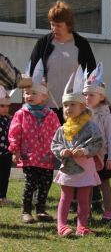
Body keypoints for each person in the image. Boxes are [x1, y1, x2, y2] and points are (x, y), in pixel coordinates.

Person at [51, 68, 103, 237]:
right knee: (65, 197)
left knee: (83, 198)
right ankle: (62, 225)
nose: (68, 108)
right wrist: (62, 151)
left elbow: (98, 143)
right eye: (65, 105)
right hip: (68, 168)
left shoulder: (91, 127)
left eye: (72, 104)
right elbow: (55, 144)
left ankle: (82, 225)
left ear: (82, 106)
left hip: (85, 167)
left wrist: (85, 150)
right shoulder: (62, 129)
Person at [8, 67, 60, 223]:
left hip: (46, 156)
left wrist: (60, 150)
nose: (29, 96)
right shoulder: (21, 113)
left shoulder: (51, 115)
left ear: (44, 97)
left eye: (33, 93)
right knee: (30, 183)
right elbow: (14, 132)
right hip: (28, 155)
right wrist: (15, 150)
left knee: (45, 184)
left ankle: (41, 210)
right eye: (26, 93)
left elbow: (58, 133)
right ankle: (26, 210)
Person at [29, 0, 96, 113]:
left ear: (68, 25)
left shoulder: (81, 44)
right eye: (52, 24)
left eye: (59, 26)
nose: (54, 29)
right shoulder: (43, 43)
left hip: (73, 106)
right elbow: (32, 70)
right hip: (46, 106)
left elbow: (92, 73)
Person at [83, 63, 111, 223]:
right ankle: (86, 211)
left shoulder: (105, 115)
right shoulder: (83, 114)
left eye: (91, 95)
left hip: (102, 156)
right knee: (87, 185)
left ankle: (108, 212)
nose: (87, 98)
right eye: (85, 95)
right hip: (87, 154)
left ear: (101, 96)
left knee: (104, 184)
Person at [0, 86, 13, 205]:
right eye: (2, 106)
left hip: (6, 153)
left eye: (7, 106)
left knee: (4, 176)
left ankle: (2, 196)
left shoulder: (9, 119)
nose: (5, 109)